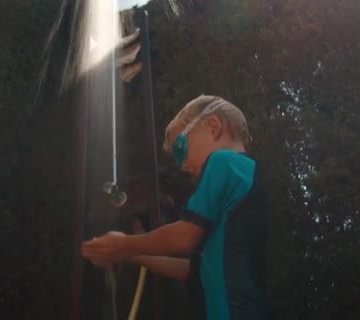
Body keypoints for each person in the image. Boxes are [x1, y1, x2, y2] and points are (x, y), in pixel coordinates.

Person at [81, 95, 271, 319]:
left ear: (213, 127)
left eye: (180, 148)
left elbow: (184, 236)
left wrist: (124, 244)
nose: (183, 165)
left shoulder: (223, 161)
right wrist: (130, 252)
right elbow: (195, 270)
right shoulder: (243, 175)